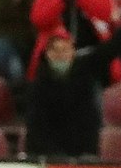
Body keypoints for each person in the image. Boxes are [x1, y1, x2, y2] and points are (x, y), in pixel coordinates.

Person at [22, 30, 104, 160]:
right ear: (48, 54)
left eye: (65, 50)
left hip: (81, 156)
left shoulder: (84, 84)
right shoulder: (37, 87)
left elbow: (90, 123)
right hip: (46, 157)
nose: (60, 55)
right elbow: (36, 130)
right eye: (55, 51)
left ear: (73, 52)